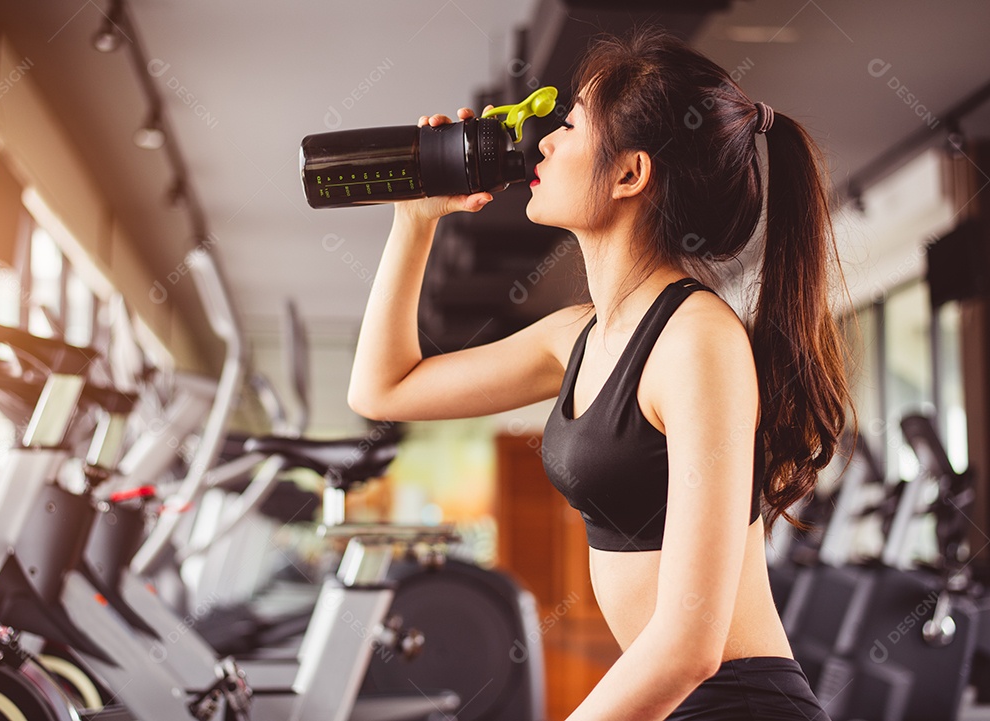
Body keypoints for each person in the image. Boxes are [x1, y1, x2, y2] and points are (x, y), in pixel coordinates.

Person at [348, 26, 853, 721]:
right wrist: (414, 222)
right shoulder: (577, 336)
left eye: (573, 124)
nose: (545, 143)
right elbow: (383, 389)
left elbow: (689, 645)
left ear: (628, 174)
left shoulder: (696, 340)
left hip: (736, 703)